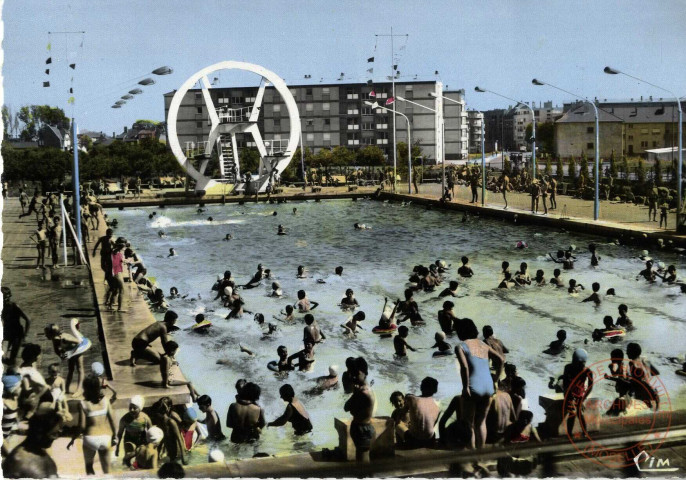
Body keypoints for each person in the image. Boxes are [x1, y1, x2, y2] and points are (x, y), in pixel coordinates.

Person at [455, 318, 505, 449]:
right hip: (488, 386)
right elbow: (501, 360)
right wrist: (495, 379)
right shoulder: (483, 345)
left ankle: (472, 457)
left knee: (468, 424)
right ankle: (480, 454)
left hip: (473, 387)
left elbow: (464, 368)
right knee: (481, 423)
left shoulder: (460, 346)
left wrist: (466, 387)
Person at [67, 376, 116, 475]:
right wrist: (115, 436)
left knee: (89, 468)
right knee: (107, 471)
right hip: (105, 438)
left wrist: (73, 438)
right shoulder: (105, 401)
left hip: (90, 439)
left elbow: (82, 426)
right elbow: (112, 420)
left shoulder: (83, 404)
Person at [2, 407, 64, 478]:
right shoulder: (19, 462)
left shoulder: (39, 451)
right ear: (39, 434)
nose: (56, 438)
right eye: (53, 434)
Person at [44, 319, 91, 395]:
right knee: (70, 369)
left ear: (52, 334)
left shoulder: (65, 338)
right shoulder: (54, 339)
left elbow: (79, 342)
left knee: (80, 368)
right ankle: (66, 388)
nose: (45, 335)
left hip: (78, 349)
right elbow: (56, 350)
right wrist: (61, 356)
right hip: (70, 351)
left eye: (46, 334)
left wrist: (71, 353)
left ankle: (79, 390)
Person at [343, 357, 376, 463]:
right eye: (352, 374)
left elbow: (346, 407)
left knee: (363, 461)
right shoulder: (366, 389)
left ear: (364, 372)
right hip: (364, 427)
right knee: (362, 458)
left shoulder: (362, 392)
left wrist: (355, 393)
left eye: (356, 374)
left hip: (362, 429)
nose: (353, 377)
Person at [560, 348, 594, 436]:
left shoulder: (587, 371)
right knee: (573, 413)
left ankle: (582, 432)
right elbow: (565, 384)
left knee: (578, 413)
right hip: (570, 393)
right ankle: (572, 433)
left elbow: (590, 387)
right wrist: (570, 396)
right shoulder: (569, 368)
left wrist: (583, 398)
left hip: (579, 394)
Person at [403, 377, 440, 448]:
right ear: (435, 390)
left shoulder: (411, 398)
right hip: (430, 440)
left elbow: (402, 412)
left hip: (414, 440)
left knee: (398, 424)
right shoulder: (437, 405)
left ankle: (400, 446)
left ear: (421, 387)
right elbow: (432, 425)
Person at [114, 395, 152, 465]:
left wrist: (151, 447)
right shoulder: (124, 419)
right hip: (129, 440)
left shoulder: (145, 418)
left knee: (142, 461)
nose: (131, 410)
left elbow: (151, 433)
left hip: (142, 440)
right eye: (130, 407)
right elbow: (119, 434)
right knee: (129, 454)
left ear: (140, 409)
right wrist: (117, 448)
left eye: (134, 408)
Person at [1, 287, 31, 365]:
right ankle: (10, 366)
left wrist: (25, 336)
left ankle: (13, 371)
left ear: (8, 297)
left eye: (4, 298)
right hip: (7, 333)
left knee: (13, 357)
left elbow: (28, 320)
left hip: (17, 334)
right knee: (2, 356)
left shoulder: (14, 306)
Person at [627, 342, 660, 410]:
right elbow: (655, 372)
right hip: (649, 387)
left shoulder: (631, 363)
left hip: (640, 389)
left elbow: (635, 380)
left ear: (632, 353)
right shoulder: (645, 359)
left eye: (628, 351)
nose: (626, 353)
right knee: (651, 407)